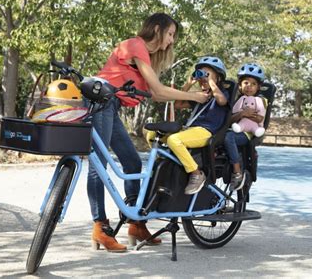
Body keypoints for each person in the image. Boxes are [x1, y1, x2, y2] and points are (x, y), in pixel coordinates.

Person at [89, 13, 210, 252]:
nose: (172, 41)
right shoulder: (135, 45)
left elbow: (157, 93)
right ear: (157, 29)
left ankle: (136, 223)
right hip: (101, 101)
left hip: (110, 106)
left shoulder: (145, 56)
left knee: (132, 162)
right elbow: (158, 90)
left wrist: (188, 91)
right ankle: (100, 227)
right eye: (170, 34)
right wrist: (194, 96)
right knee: (98, 165)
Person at [170, 56, 229, 194]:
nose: (202, 78)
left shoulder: (222, 94)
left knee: (174, 140)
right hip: (191, 130)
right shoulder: (199, 96)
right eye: (200, 74)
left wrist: (211, 82)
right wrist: (188, 84)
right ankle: (169, 165)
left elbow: (222, 101)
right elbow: (178, 104)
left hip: (206, 131)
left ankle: (196, 173)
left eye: (207, 74)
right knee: (152, 134)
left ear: (218, 78)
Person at [223, 63, 266, 191]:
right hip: (235, 128)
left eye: (253, 84)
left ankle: (237, 172)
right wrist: (242, 113)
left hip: (248, 133)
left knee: (228, 137)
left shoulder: (260, 101)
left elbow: (260, 118)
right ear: (240, 85)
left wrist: (248, 115)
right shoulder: (237, 100)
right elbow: (229, 119)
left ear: (258, 87)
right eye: (246, 83)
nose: (249, 87)